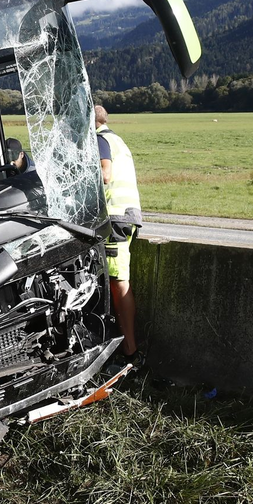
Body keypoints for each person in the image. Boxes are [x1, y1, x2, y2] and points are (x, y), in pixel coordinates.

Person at [94, 105, 143, 369]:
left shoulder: (99, 140)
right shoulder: (117, 139)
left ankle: (129, 354)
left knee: (117, 283)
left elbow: (105, 174)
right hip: (127, 216)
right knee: (116, 281)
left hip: (114, 219)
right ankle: (126, 351)